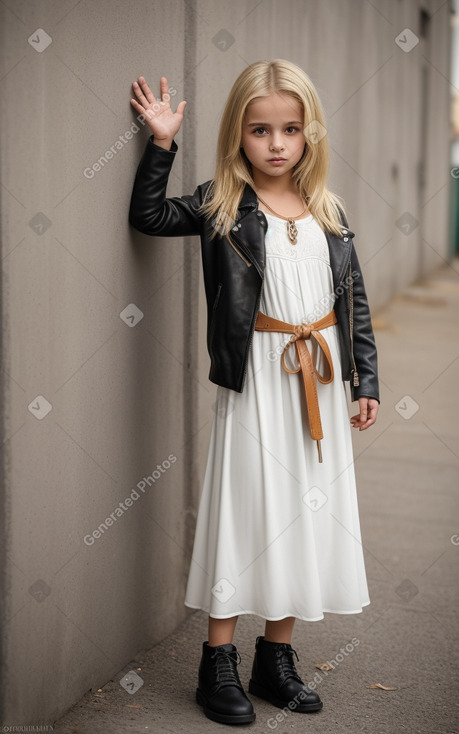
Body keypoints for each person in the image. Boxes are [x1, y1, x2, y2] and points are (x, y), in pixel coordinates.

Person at [128, 59, 380, 726]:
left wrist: (364, 378)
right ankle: (217, 665)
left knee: (302, 512)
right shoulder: (222, 205)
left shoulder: (328, 210)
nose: (275, 143)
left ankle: (276, 658)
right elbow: (150, 217)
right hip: (257, 381)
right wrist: (160, 144)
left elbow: (351, 300)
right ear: (239, 134)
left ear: (308, 134)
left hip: (318, 384)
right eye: (261, 129)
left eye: (290, 129)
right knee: (246, 511)